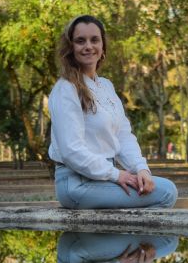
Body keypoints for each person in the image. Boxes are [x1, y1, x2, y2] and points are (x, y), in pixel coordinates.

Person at [48, 14, 177, 209]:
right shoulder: (66, 88)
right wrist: (117, 174)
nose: (88, 46)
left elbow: (123, 136)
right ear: (70, 47)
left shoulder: (106, 86)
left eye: (94, 40)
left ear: (103, 47)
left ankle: (120, 240)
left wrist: (141, 169)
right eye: (80, 41)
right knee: (166, 192)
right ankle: (129, 240)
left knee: (156, 186)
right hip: (77, 184)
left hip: (103, 177)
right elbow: (71, 151)